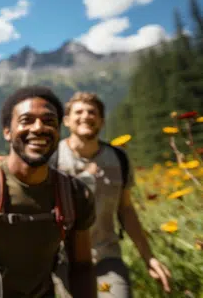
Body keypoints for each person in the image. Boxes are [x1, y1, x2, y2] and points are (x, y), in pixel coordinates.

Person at [0, 85, 97, 298]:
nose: (38, 128)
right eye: (27, 120)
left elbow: (82, 267)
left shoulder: (75, 194)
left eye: (49, 121)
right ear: (7, 131)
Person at [50, 91, 172, 298]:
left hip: (107, 258)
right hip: (64, 263)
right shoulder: (53, 160)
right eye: (79, 112)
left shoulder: (119, 159)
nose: (86, 116)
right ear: (67, 121)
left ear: (101, 121)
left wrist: (148, 257)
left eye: (92, 112)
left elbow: (125, 209)